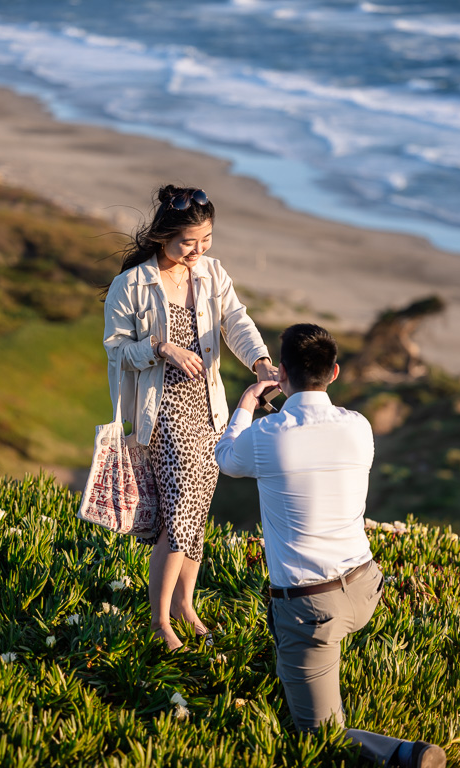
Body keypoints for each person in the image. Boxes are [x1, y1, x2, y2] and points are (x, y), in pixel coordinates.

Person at [215, 324, 446, 768]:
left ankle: (406, 755)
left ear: (280, 374)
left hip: (311, 609)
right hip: (365, 586)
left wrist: (247, 404)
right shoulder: (358, 426)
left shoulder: (266, 436)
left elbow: (227, 458)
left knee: (319, 735)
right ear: (335, 372)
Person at [103, 185, 277, 651]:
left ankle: (185, 603)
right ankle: (160, 619)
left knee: (196, 516)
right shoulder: (133, 285)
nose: (198, 251)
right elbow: (116, 350)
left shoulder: (211, 273)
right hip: (163, 413)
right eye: (189, 242)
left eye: (206, 240)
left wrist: (260, 363)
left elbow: (236, 321)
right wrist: (161, 348)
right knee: (179, 514)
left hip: (209, 410)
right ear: (163, 236)